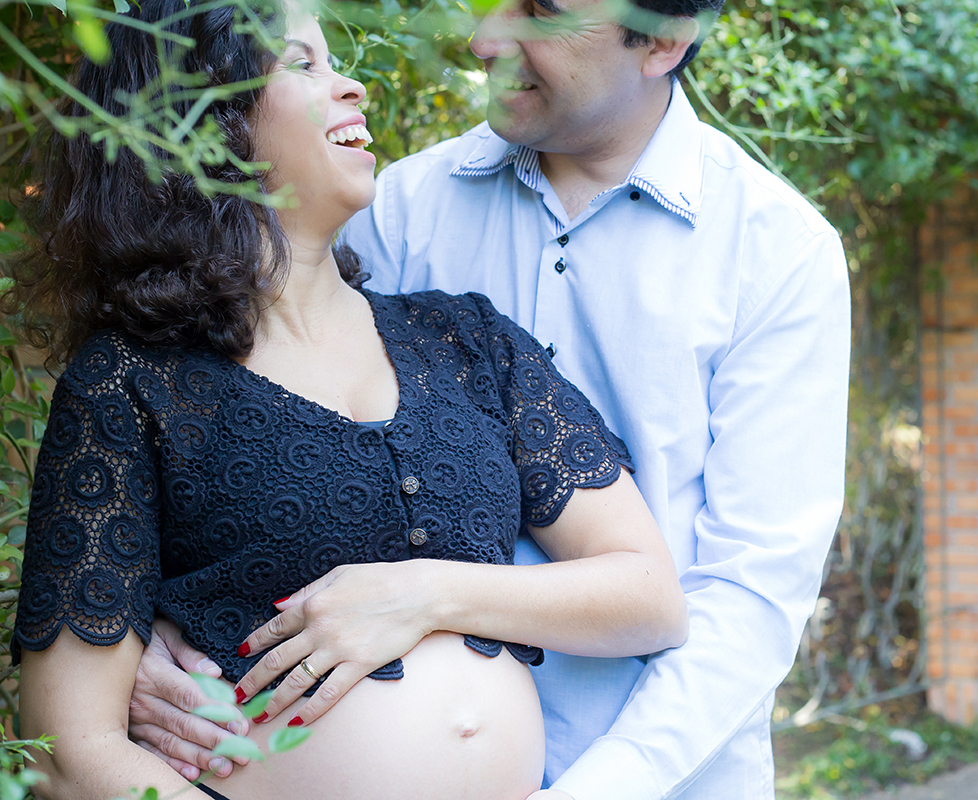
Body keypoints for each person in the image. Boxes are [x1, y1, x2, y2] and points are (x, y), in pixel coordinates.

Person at [130, 0, 852, 797]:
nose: (485, 41)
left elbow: (747, 594)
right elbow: (245, 457)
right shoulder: (394, 214)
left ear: (663, 42)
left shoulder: (777, 254)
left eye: (541, 11)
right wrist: (150, 641)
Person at [9, 1, 690, 799]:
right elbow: (65, 748)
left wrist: (421, 592)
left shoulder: (465, 339)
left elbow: (648, 598)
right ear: (202, 122)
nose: (353, 87)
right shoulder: (130, 382)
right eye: (303, 65)